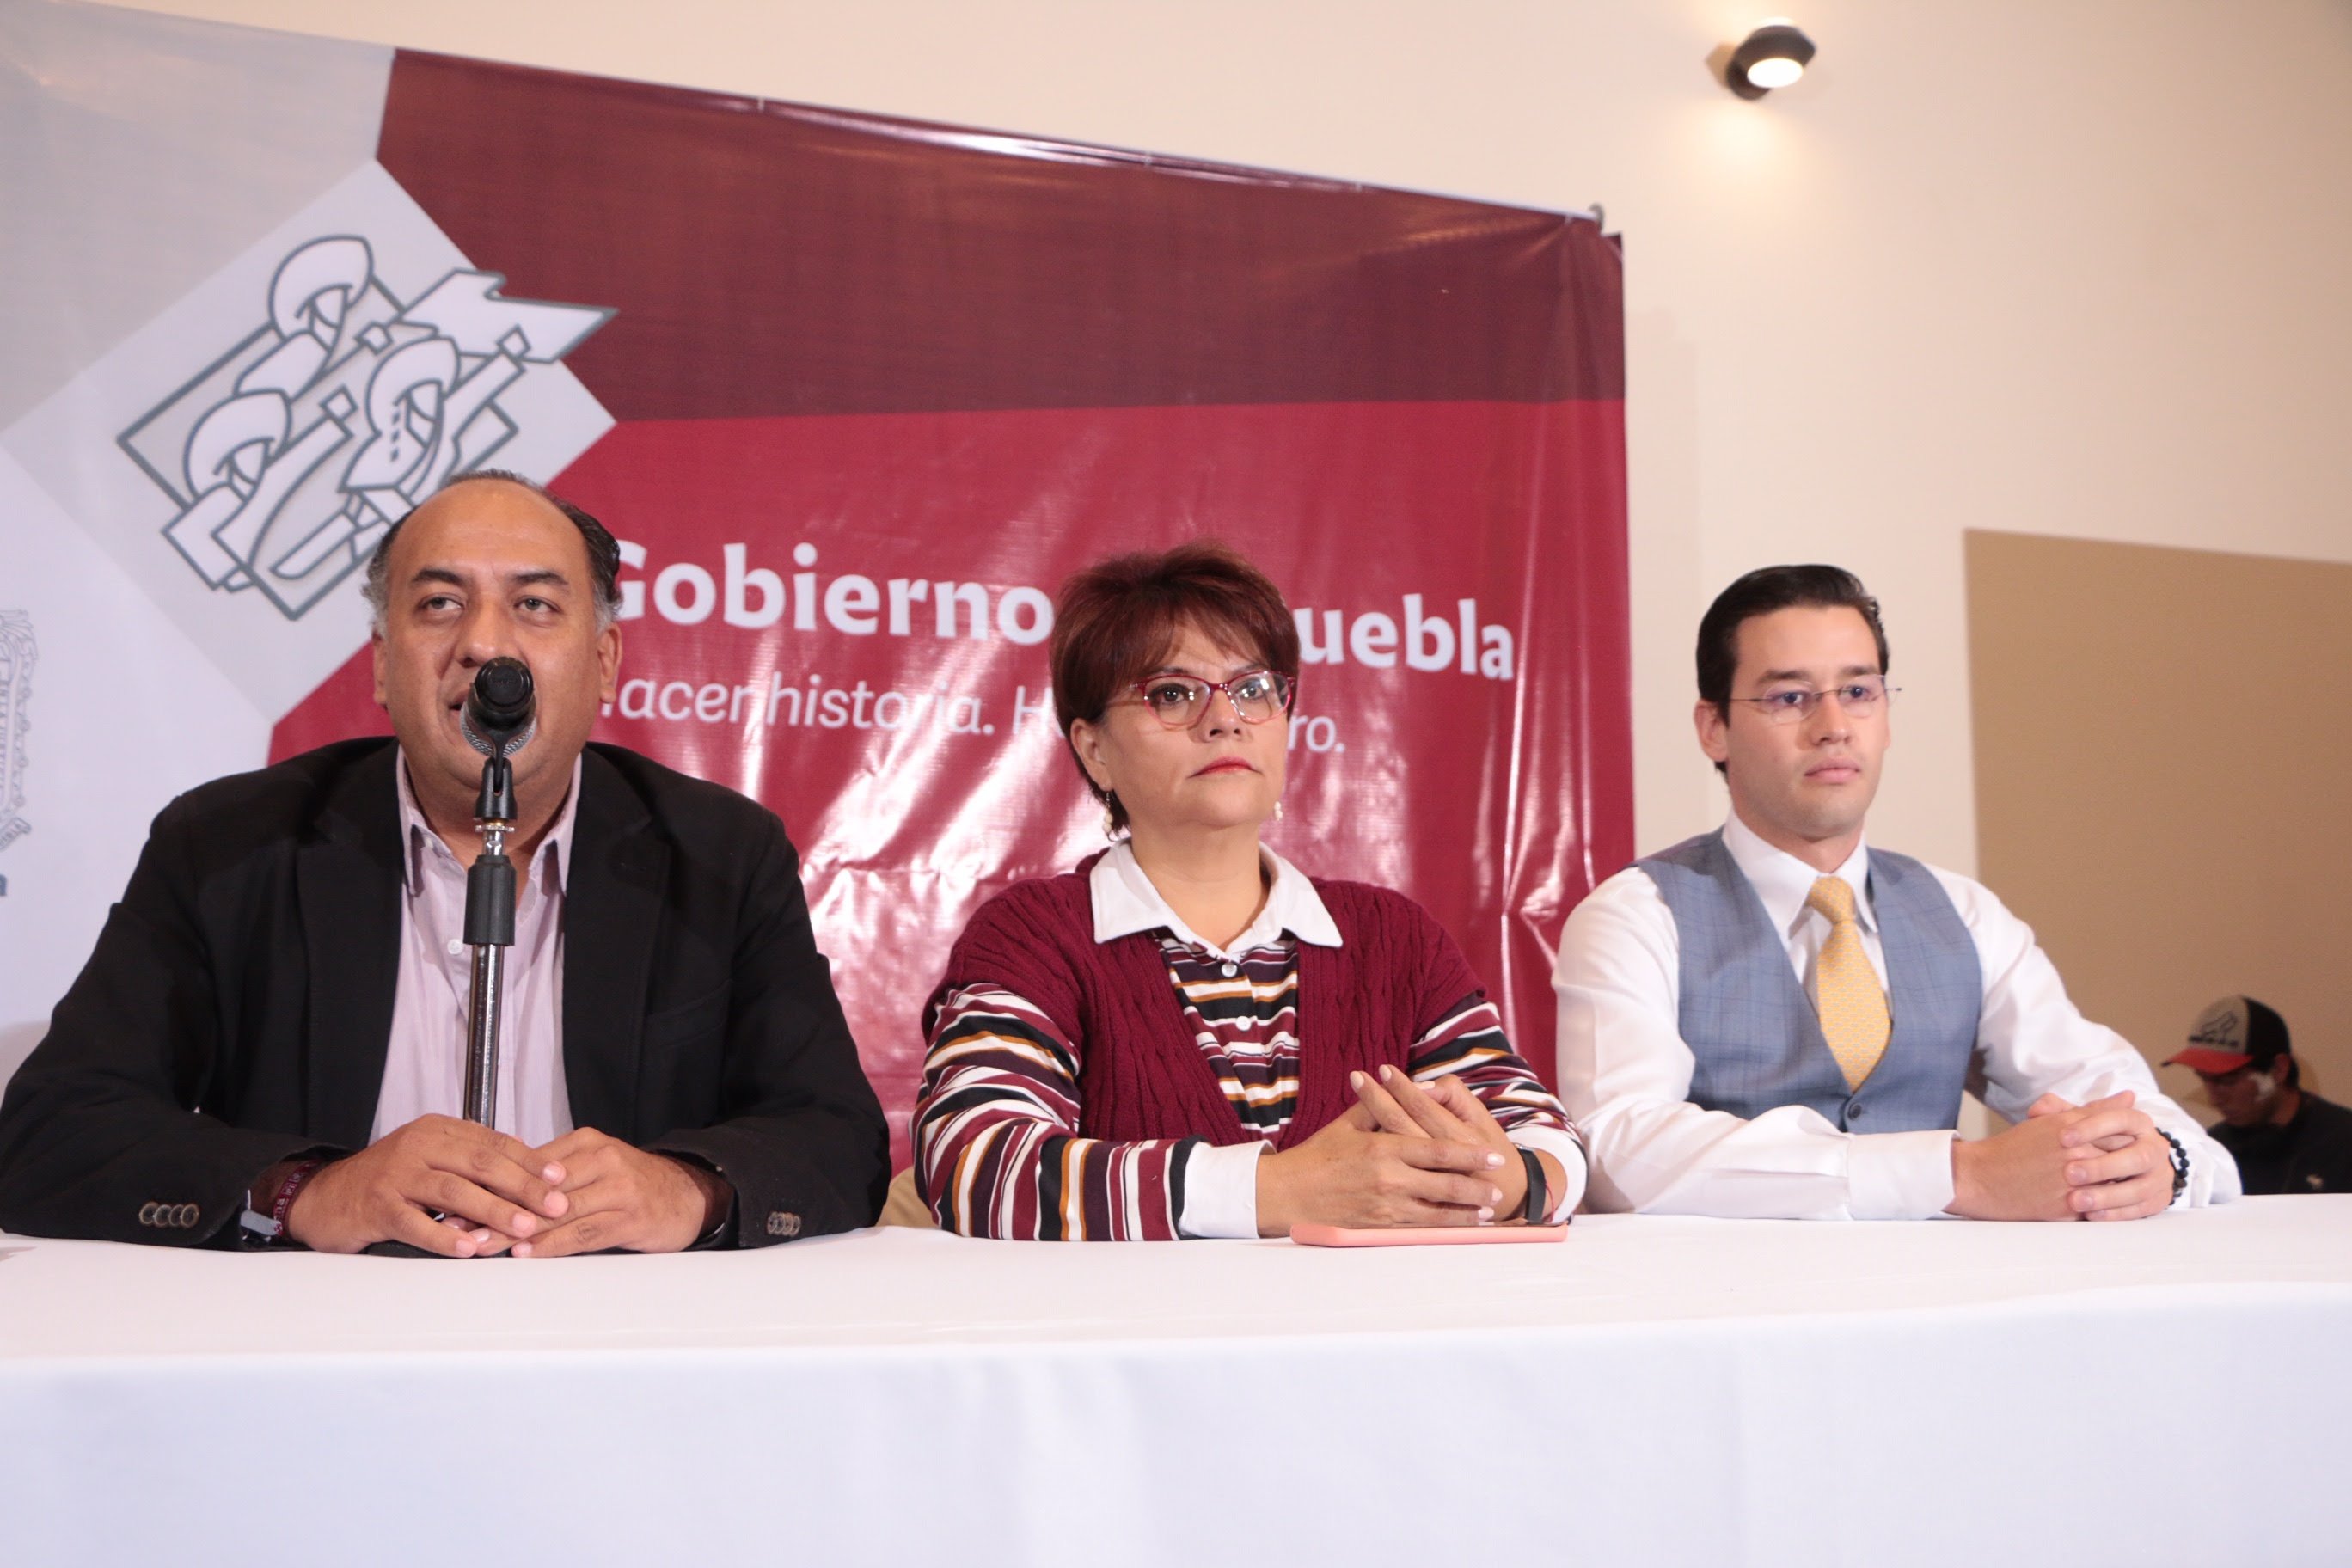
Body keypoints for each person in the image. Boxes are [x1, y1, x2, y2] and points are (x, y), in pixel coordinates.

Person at [0, 472, 887, 1254]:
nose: (486, 646)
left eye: (535, 605)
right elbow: (53, 1130)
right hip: (312, 1341)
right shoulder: (228, 845)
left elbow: (836, 1136)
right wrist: (303, 1191)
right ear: (384, 666)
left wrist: (691, 1188)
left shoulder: (722, 856)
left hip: (616, 1338)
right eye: (438, 604)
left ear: (604, 662)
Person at [912, 541, 1584, 1239]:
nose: (1224, 719)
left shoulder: (1394, 937)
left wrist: (1507, 1181)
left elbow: (1545, 1140)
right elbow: (975, 1169)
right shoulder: (1035, 936)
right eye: (1172, 694)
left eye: (1253, 689)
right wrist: (1278, 1191)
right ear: (1094, 749)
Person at [1553, 564, 2236, 1220]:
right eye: (1790, 697)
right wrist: (1953, 1175)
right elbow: (1620, 1148)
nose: (1833, 726)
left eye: (1859, 692)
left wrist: (2158, 1163)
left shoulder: (1964, 914)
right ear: (1713, 729)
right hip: (1727, 1296)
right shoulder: (1637, 915)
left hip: (1938, 1295)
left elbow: (2120, 1098)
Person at [2169, 995, 2352, 1195]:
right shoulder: (2213, 1152)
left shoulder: (2342, 1143)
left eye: (2228, 1081)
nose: (2214, 1099)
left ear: (2279, 1069)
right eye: (2204, 1079)